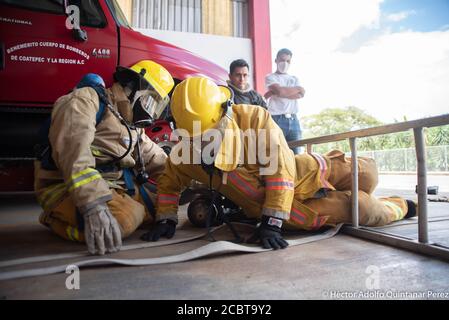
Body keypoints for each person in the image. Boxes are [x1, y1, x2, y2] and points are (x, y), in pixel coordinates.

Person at [141, 77, 416, 250]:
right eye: (195, 136)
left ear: (224, 111)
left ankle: (376, 185)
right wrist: (166, 217)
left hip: (306, 173)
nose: (203, 141)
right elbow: (169, 179)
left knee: (367, 173)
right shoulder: (188, 149)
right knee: (365, 208)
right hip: (296, 212)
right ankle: (402, 206)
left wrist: (272, 218)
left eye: (208, 132)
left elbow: (280, 168)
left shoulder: (253, 118)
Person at [34, 60, 175, 255]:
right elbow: (74, 156)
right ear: (134, 88)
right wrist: (94, 206)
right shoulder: (84, 101)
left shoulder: (130, 124)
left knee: (165, 204)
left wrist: (191, 181)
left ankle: (122, 211)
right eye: (151, 101)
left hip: (113, 186)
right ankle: (55, 219)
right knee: (125, 219)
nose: (151, 112)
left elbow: (158, 160)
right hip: (66, 187)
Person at [265, 48, 305, 154]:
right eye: (282, 60)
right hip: (276, 119)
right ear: (276, 60)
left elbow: (301, 94)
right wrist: (296, 89)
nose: (285, 63)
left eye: (288, 61)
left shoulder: (294, 78)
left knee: (297, 156)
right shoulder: (270, 77)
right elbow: (281, 91)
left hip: (294, 120)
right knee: (276, 155)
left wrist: (280, 92)